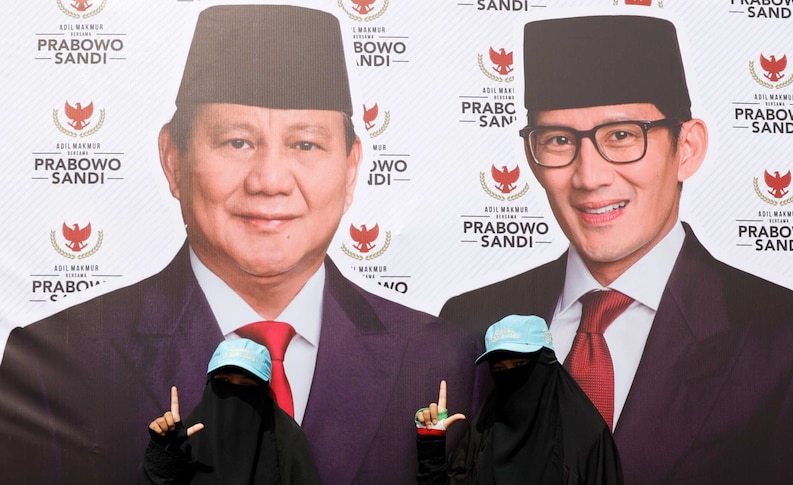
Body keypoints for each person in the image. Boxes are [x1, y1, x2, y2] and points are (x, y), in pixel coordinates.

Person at [0, 5, 485, 484]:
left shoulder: (445, 363)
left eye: (306, 145)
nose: (270, 181)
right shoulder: (57, 364)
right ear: (173, 160)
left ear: (352, 168)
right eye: (237, 142)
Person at [439, 15, 793, 484]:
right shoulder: (470, 324)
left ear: (687, 147)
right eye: (559, 140)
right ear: (532, 159)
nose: (589, 176)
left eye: (621, 135)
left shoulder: (791, 343)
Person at [415, 315, 622, 485]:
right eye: (499, 369)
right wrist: (431, 441)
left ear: (547, 362)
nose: (510, 377)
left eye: (521, 364)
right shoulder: (483, 431)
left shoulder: (588, 436)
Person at [139, 338, 321, 484]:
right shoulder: (187, 437)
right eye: (224, 382)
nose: (234, 394)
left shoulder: (288, 441)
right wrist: (164, 455)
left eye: (247, 385)